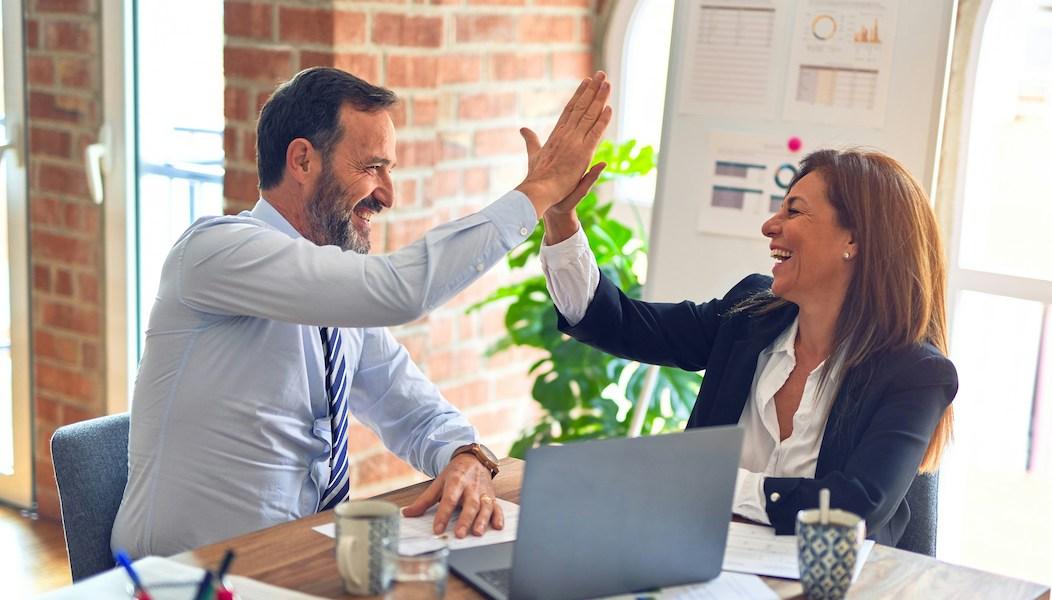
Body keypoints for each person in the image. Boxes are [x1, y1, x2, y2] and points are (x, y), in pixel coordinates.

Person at [112, 67, 611, 557]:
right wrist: (539, 191)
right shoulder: (216, 252)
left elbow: (412, 409)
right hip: (182, 579)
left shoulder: (335, 299)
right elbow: (400, 290)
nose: (388, 195)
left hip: (294, 562)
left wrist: (466, 455)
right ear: (302, 161)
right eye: (372, 168)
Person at [539, 148, 957, 545]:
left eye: (794, 211)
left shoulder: (916, 374)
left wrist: (714, 483)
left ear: (853, 240)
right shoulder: (749, 315)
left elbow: (856, 507)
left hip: (827, 582)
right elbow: (618, 323)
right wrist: (560, 217)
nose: (770, 226)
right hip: (701, 562)